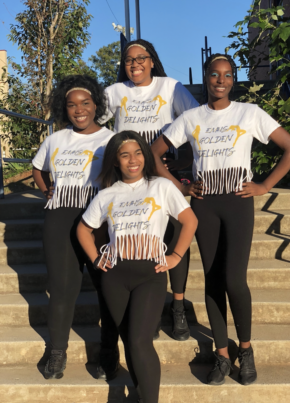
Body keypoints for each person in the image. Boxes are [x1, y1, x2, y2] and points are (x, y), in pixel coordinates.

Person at [151, 53, 290, 386]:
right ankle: (221, 352)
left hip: (237, 202)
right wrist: (181, 186)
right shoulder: (191, 118)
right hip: (205, 204)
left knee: (234, 279)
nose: (220, 80)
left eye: (227, 74)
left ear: (233, 79)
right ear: (206, 78)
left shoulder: (249, 113)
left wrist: (264, 185)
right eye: (214, 74)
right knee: (213, 279)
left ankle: (245, 349)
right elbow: (153, 153)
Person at [77, 131, 198, 403]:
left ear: (145, 156)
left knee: (140, 340)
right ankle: (142, 392)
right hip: (115, 276)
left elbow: (190, 221)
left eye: (138, 153)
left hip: (150, 275)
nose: (133, 160)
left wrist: (176, 255)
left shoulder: (161, 187)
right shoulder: (107, 194)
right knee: (129, 340)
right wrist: (97, 258)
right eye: (124, 154)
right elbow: (83, 229)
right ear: (115, 161)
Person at [99, 38, 199, 341]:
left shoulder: (171, 87)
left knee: (173, 233)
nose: (135, 64)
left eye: (141, 58)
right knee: (137, 234)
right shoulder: (115, 92)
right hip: (128, 176)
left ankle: (178, 305)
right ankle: (145, 310)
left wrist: (183, 162)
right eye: (128, 60)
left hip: (162, 173)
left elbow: (195, 122)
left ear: (152, 60)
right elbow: (92, 124)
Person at [32, 75, 119, 380]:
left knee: (107, 286)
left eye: (85, 103)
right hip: (60, 219)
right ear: (64, 108)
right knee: (61, 289)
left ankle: (109, 353)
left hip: (97, 220)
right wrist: (47, 190)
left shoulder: (111, 140)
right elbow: (38, 168)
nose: (79, 110)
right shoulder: (55, 139)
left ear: (96, 104)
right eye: (71, 105)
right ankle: (57, 351)